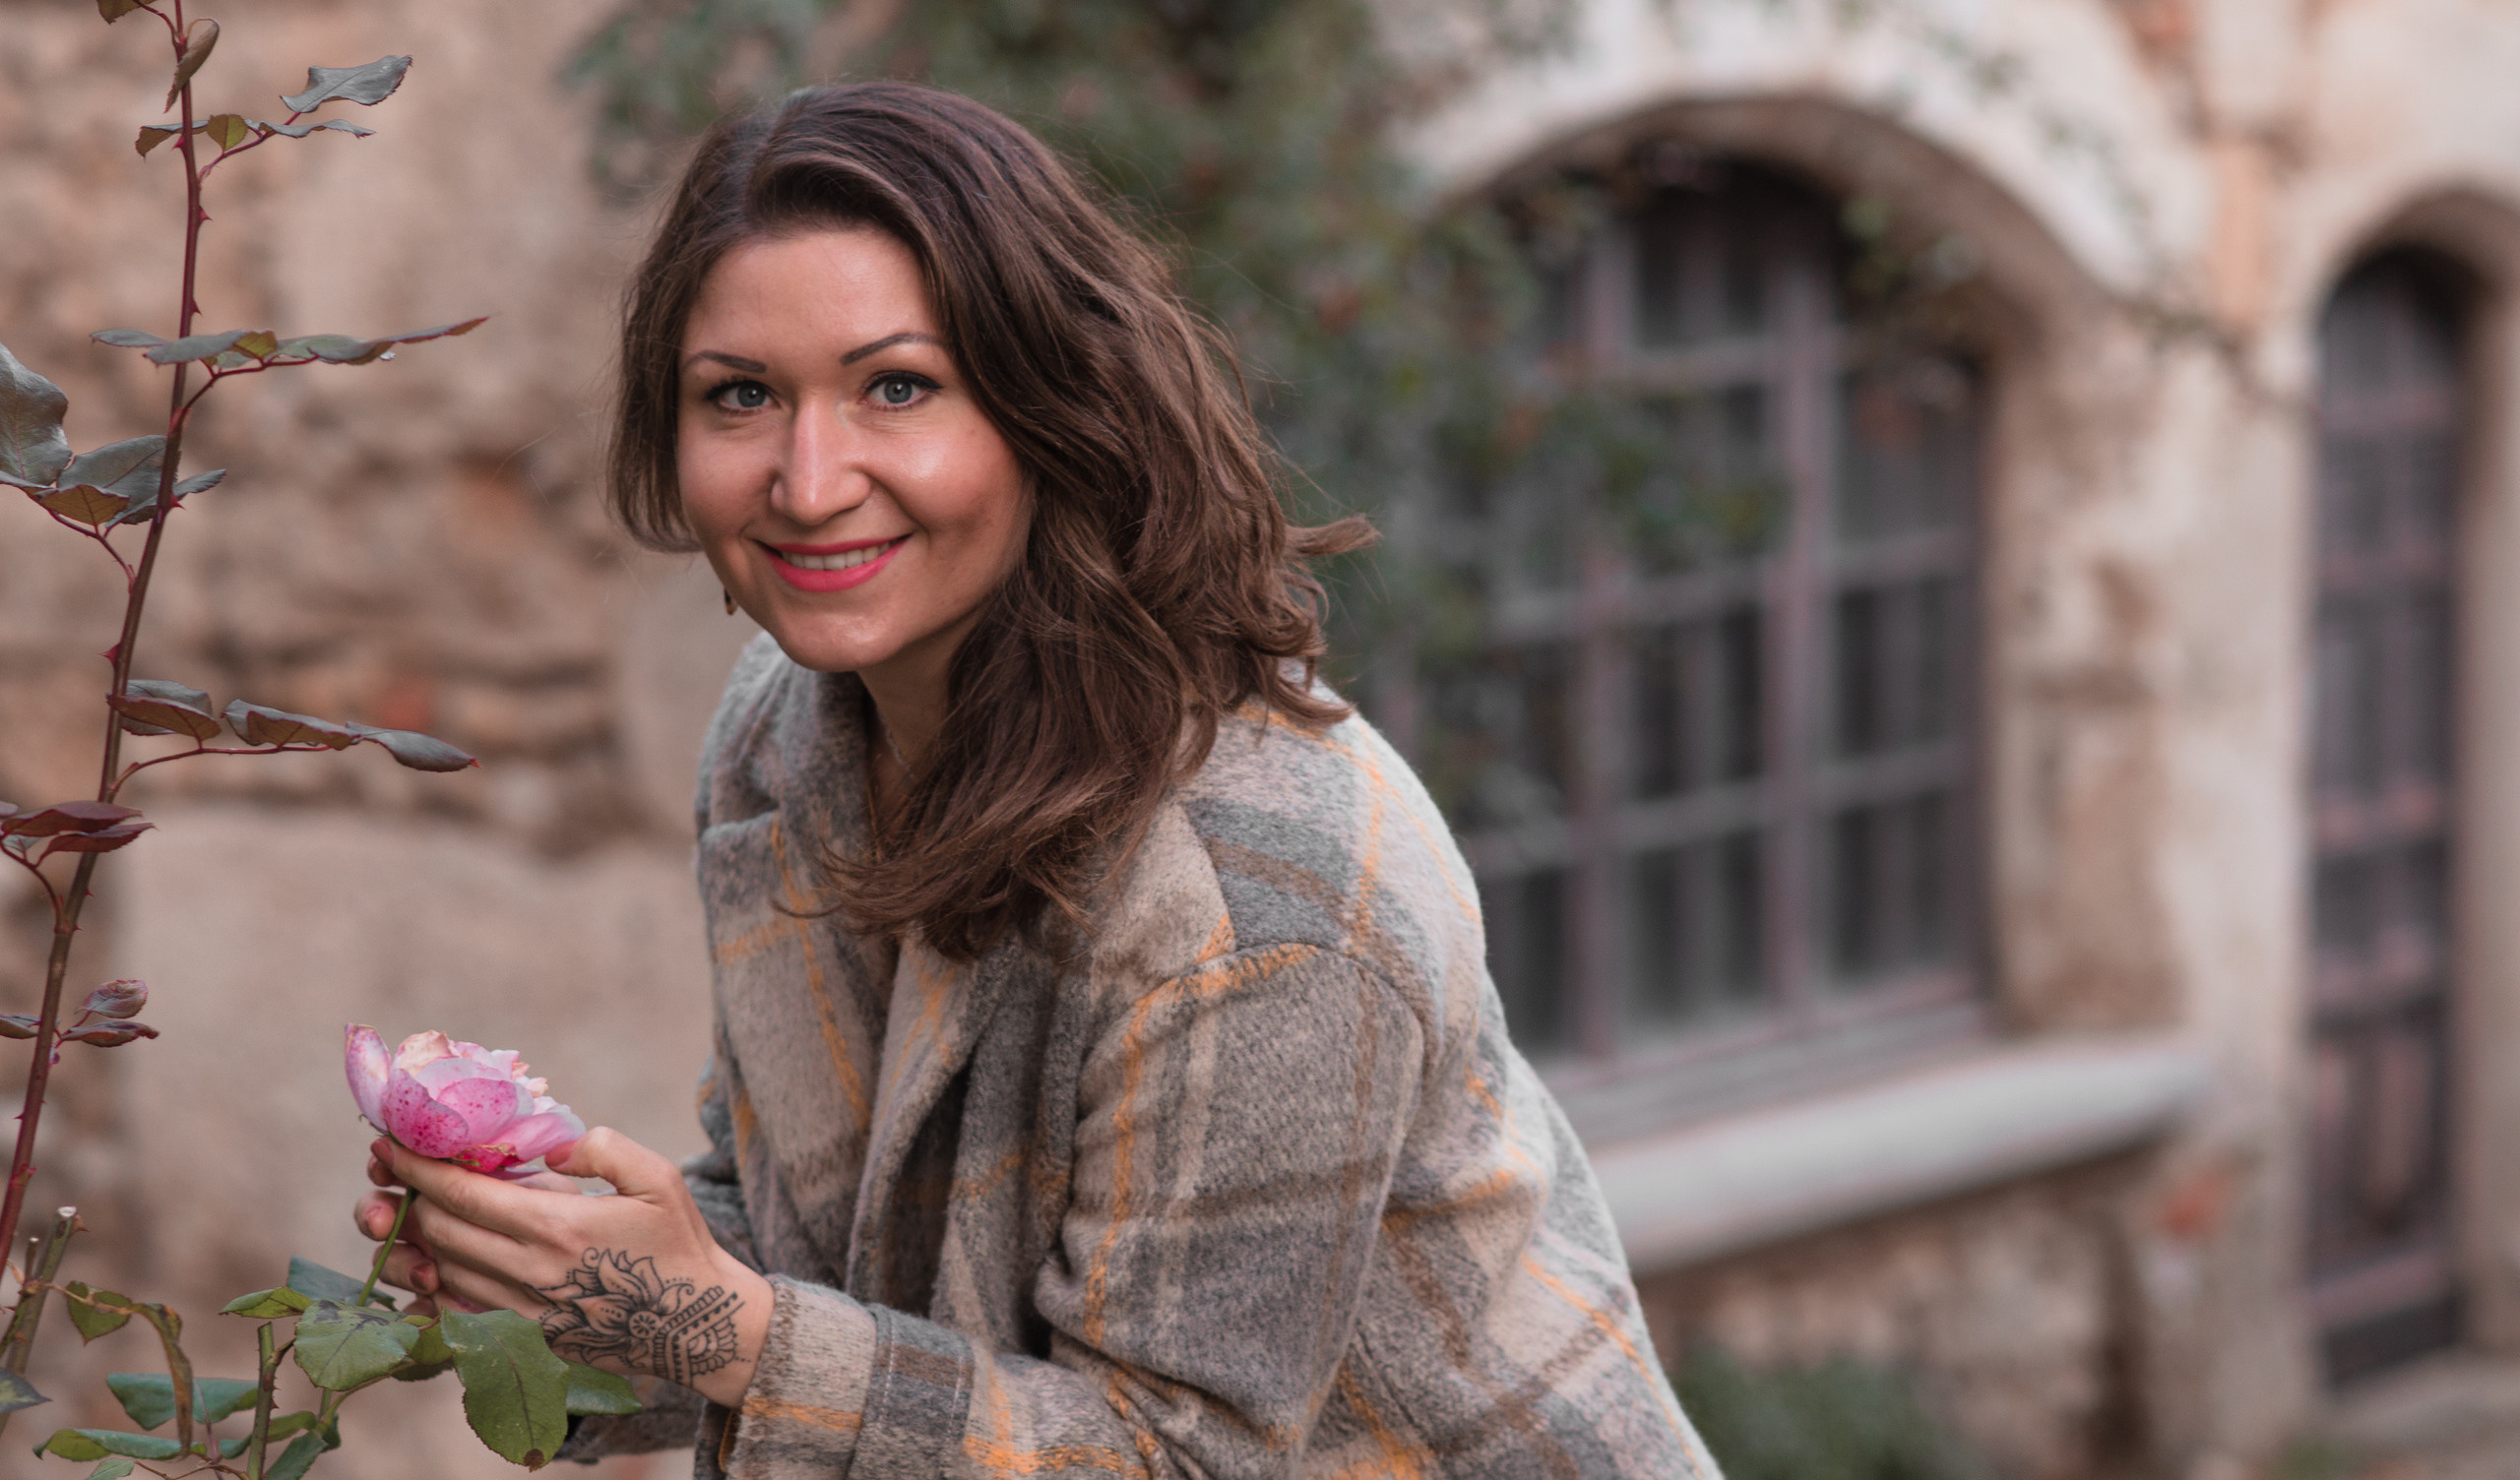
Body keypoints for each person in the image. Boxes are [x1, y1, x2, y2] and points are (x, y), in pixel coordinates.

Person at [354, 81, 1718, 1478]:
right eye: (741, 397)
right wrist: (550, 1270)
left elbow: (1169, 1456)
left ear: (1051, 410)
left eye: (899, 387)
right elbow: (827, 1241)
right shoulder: (781, 740)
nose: (809, 482)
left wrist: (718, 1325)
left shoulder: (1259, 901)